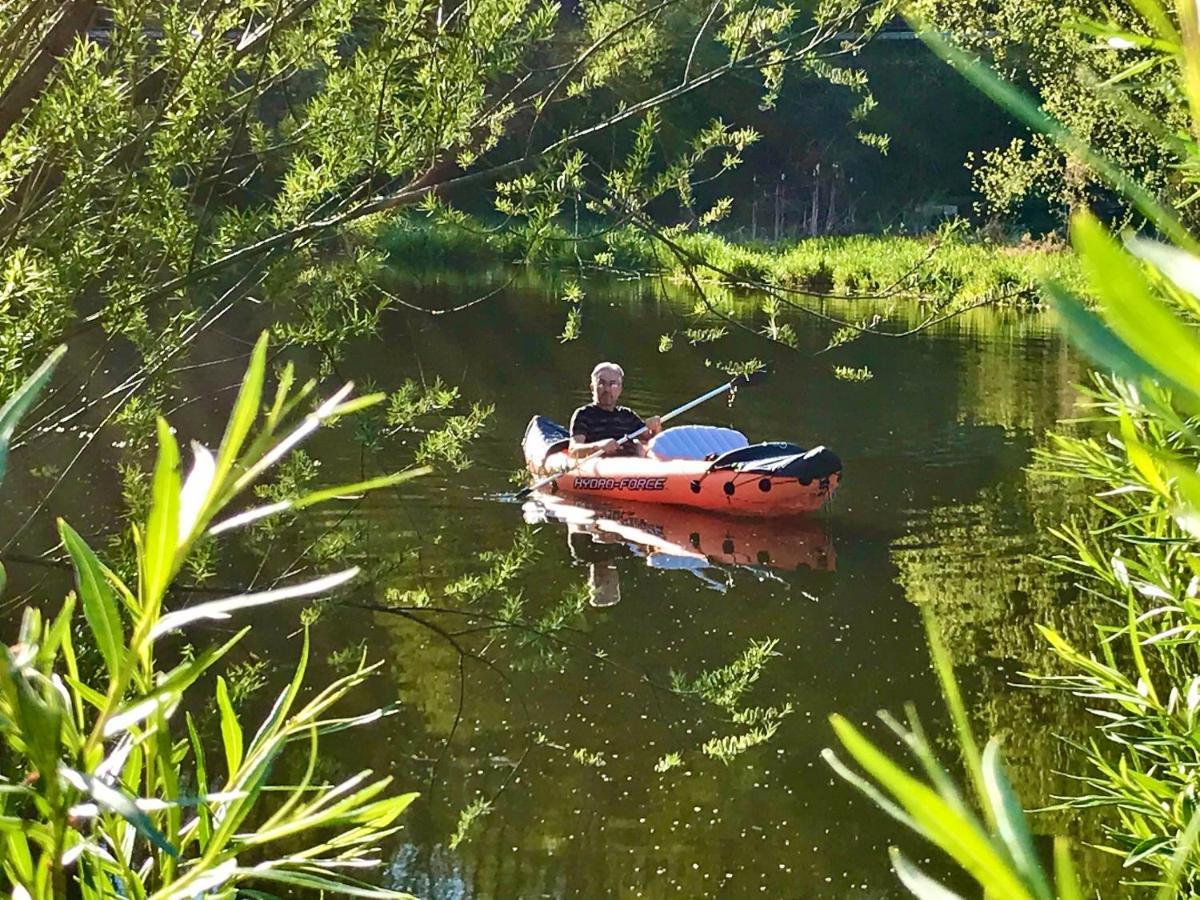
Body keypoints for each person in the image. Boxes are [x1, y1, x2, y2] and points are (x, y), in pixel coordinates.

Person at [568, 362, 662, 458]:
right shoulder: (583, 415)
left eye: (613, 384)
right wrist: (599, 447)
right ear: (592, 388)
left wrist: (655, 428)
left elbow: (652, 440)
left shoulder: (627, 415)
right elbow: (573, 450)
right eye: (601, 384)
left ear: (620, 389)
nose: (607, 389)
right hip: (603, 467)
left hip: (632, 465)